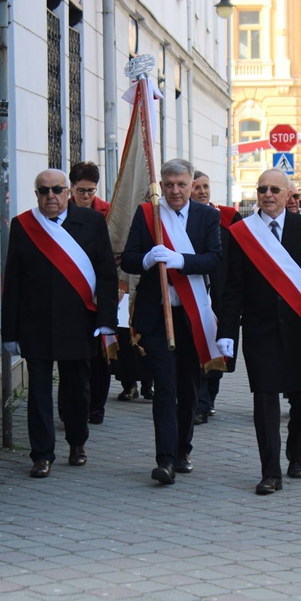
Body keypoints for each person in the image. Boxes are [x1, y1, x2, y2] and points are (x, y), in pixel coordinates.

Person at [217, 169, 301, 495]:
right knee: (265, 398)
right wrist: (226, 331)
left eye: (275, 189)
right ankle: (270, 472)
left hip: (300, 326)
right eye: (262, 189)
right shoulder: (242, 233)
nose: (268, 195)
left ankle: (295, 453)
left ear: (288, 195)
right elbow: (233, 287)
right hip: (260, 329)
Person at [1, 169, 118, 478]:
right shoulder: (23, 225)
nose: (50, 196)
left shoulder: (92, 222)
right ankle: (41, 454)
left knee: (77, 388)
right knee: (38, 391)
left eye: (56, 190)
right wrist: (9, 331)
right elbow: (13, 281)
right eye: (44, 191)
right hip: (35, 323)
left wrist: (106, 321)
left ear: (68, 192)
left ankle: (77, 443)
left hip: (78, 321)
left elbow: (106, 275)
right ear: (36, 194)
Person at [120, 158, 223, 485]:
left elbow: (215, 259)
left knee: (188, 386)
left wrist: (182, 260)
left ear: (192, 184)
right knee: (165, 386)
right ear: (161, 186)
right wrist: (148, 259)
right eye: (169, 185)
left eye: (181, 184)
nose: (175, 191)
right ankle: (164, 460)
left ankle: (182, 450)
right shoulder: (147, 213)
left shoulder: (208, 216)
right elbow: (129, 259)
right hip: (157, 315)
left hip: (191, 315)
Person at [191, 170, 241, 425]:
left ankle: (210, 397)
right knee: (197, 346)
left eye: (205, 186)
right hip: (195, 291)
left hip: (223, 293)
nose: (202, 191)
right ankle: (199, 403)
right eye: (197, 187)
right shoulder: (181, 221)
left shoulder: (228, 218)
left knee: (220, 345)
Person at [69, 161, 113, 424]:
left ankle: (96, 407)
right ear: (72, 188)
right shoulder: (61, 212)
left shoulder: (109, 212)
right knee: (73, 356)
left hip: (103, 290)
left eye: (91, 191)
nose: (86, 196)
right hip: (74, 293)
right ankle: (72, 407)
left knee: (102, 354)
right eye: (81, 191)